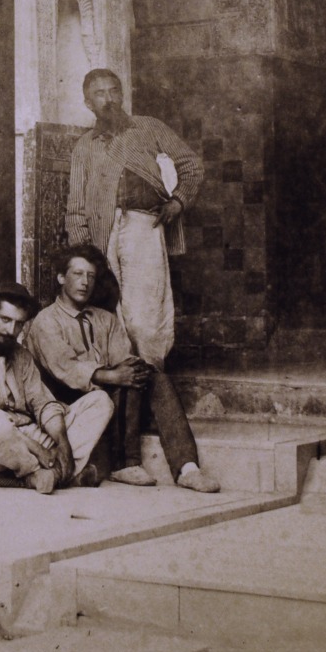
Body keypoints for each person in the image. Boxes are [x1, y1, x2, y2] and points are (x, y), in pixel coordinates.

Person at [65, 68, 219, 492]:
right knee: (118, 336)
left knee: (146, 330)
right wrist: (86, 258)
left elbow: (191, 165)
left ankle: (152, 442)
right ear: (87, 103)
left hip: (144, 228)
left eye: (114, 90)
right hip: (102, 241)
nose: (108, 98)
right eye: (99, 94)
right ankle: (134, 457)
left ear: (123, 94)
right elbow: (75, 209)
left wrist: (179, 201)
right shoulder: (84, 147)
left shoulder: (149, 128)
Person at [25, 245, 217, 490]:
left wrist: (129, 371)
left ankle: (187, 469)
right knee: (122, 380)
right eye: (78, 274)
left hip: (114, 396)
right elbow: (67, 370)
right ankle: (126, 463)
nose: (85, 282)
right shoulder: (46, 321)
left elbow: (123, 359)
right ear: (61, 278)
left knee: (153, 378)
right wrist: (113, 375)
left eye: (91, 276)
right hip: (72, 402)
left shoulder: (105, 319)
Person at [0, 285, 113, 493]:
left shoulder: (22, 356)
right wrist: (40, 450)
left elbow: (42, 403)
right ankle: (41, 472)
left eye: (19, 324)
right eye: (5, 320)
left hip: (26, 434)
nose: (11, 331)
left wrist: (63, 445)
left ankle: (55, 472)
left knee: (100, 401)